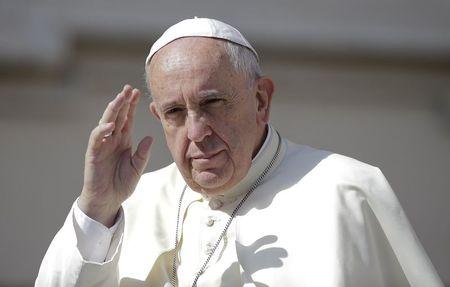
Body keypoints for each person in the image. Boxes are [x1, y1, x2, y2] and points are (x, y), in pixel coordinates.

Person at [35, 17, 443, 287]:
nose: (196, 132)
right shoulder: (125, 207)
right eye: (175, 112)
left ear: (261, 100)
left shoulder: (345, 190)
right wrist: (96, 208)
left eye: (212, 103)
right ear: (157, 116)